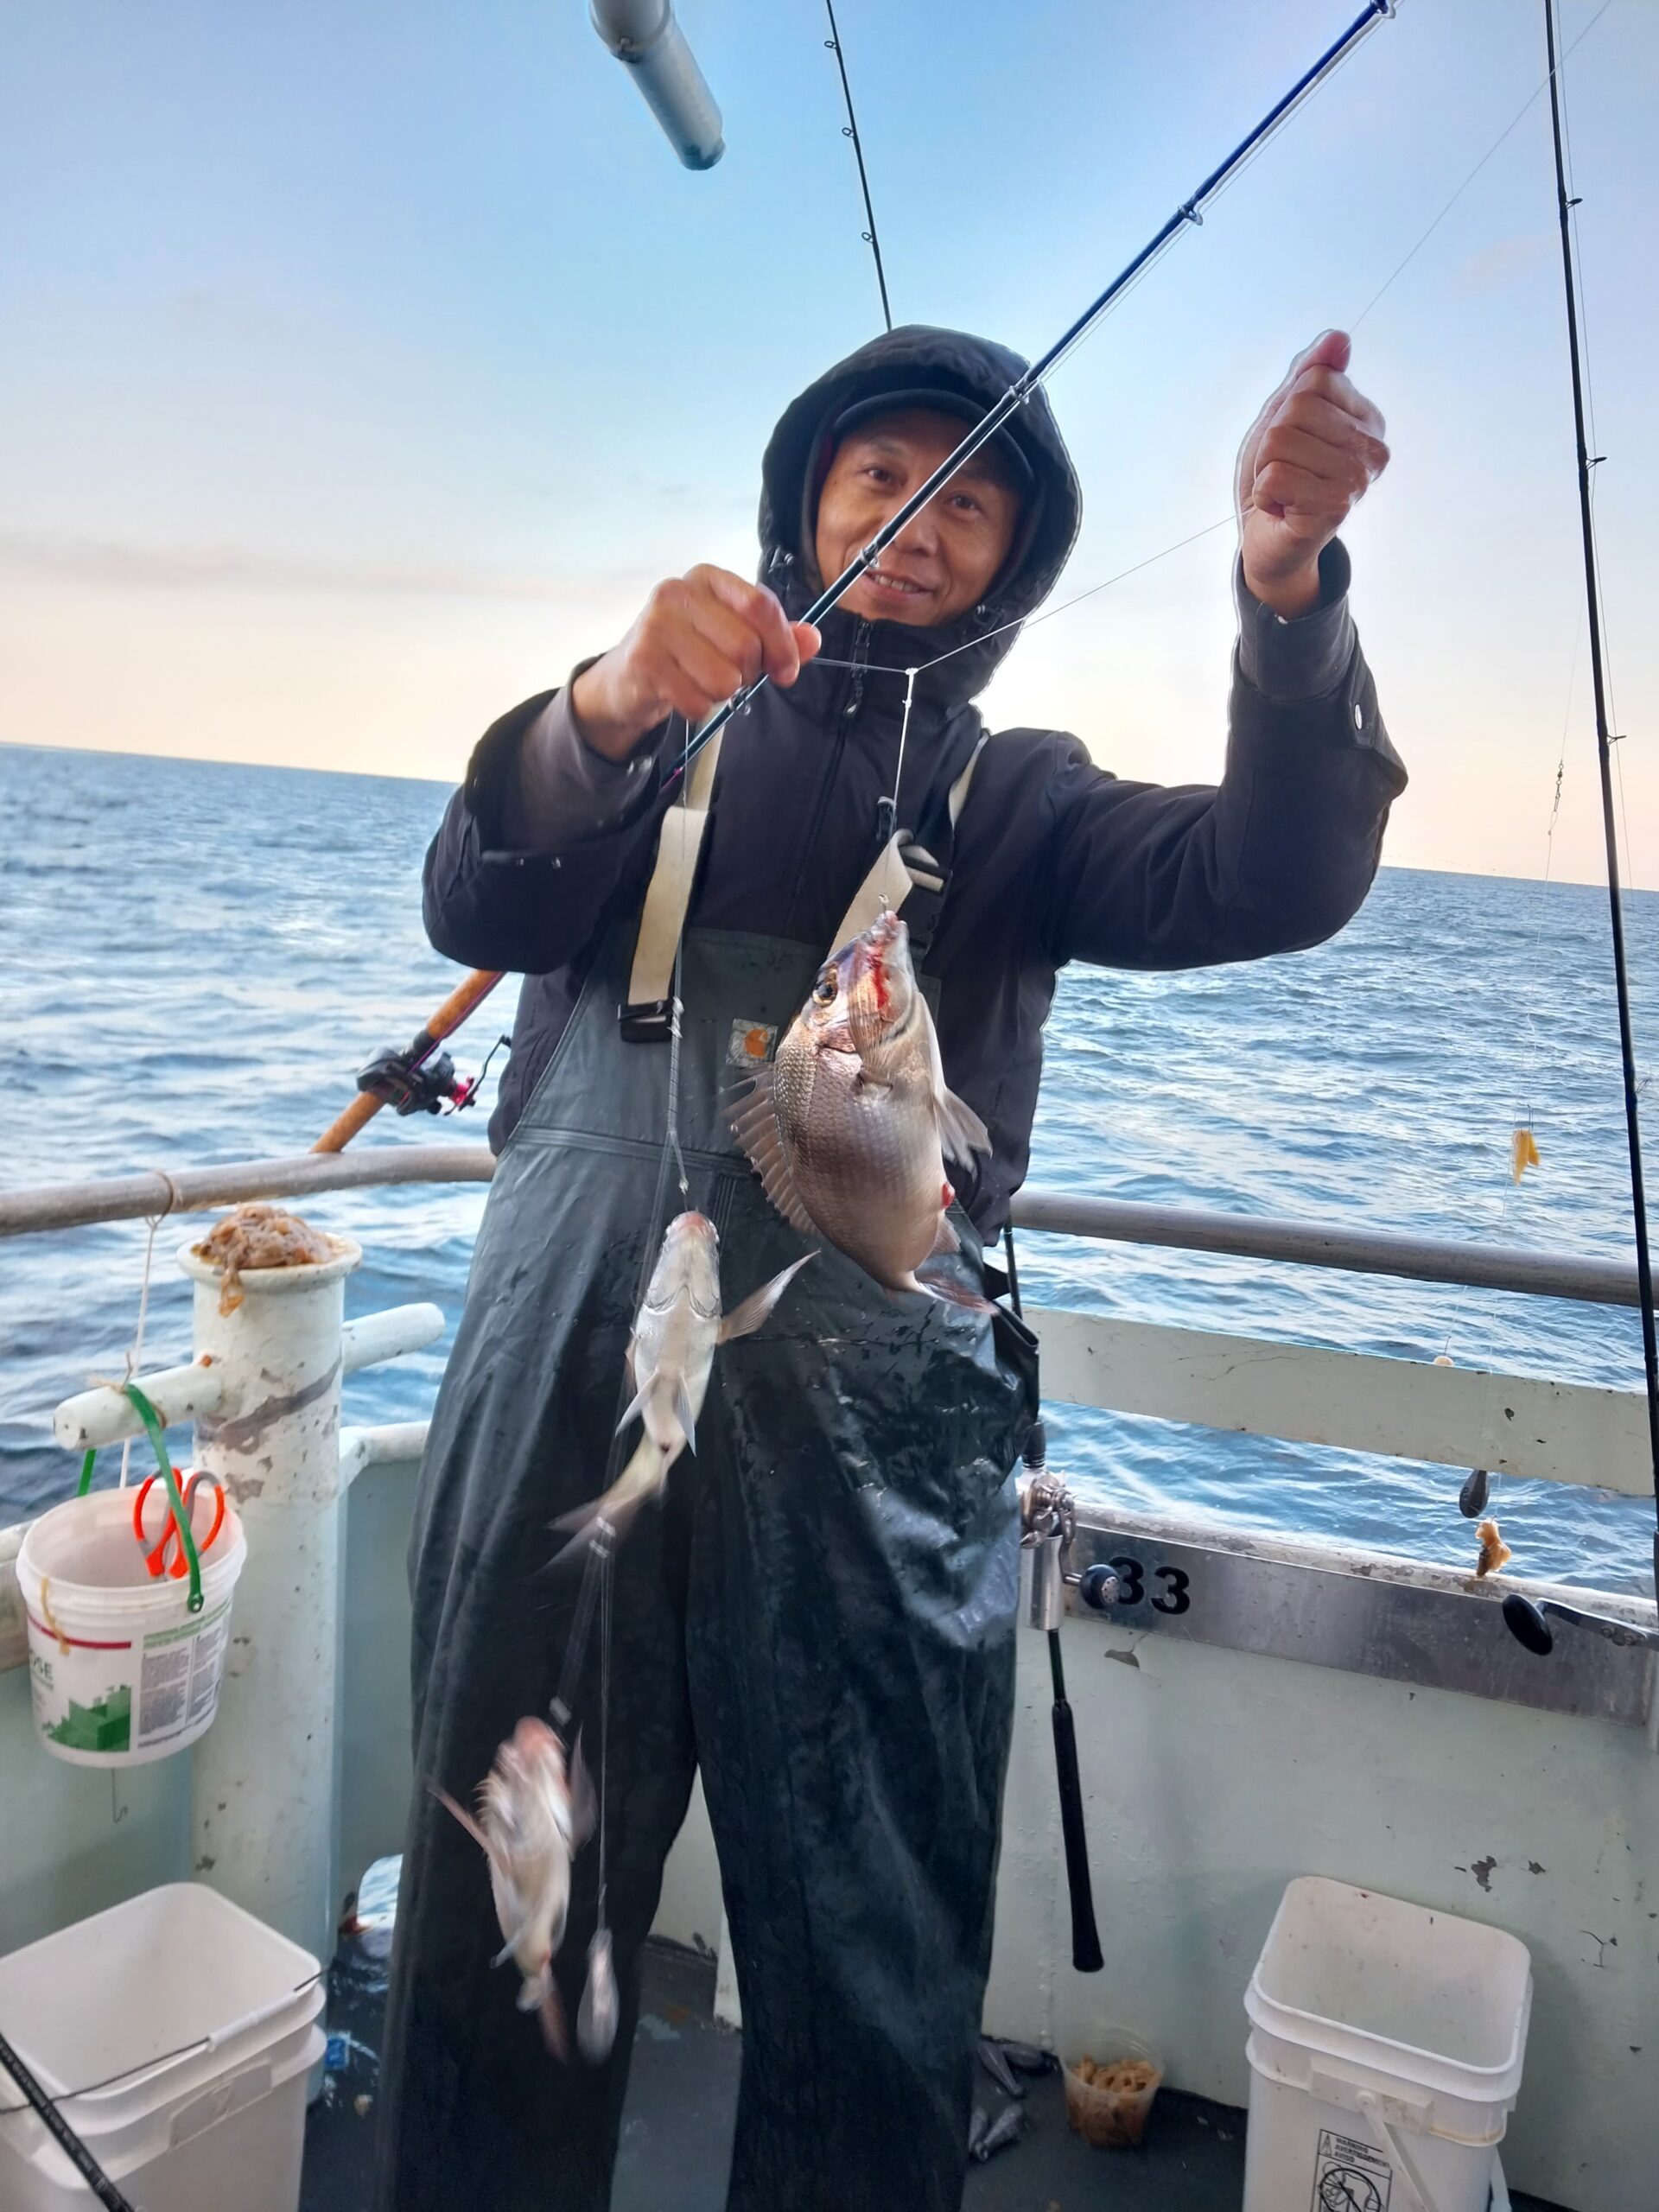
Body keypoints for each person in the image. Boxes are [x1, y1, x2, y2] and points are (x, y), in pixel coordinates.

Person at [376, 321, 1403, 2212]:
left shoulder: (1025, 805)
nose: (918, 520)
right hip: (566, 1380)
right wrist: (596, 706)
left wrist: (1286, 593)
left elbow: (1276, 875)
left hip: (872, 1428)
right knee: (509, 1879)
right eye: (880, 477)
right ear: (804, 506)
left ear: (1013, 564)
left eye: (974, 498)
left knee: (871, 1929)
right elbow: (472, 898)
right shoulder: (653, 720)